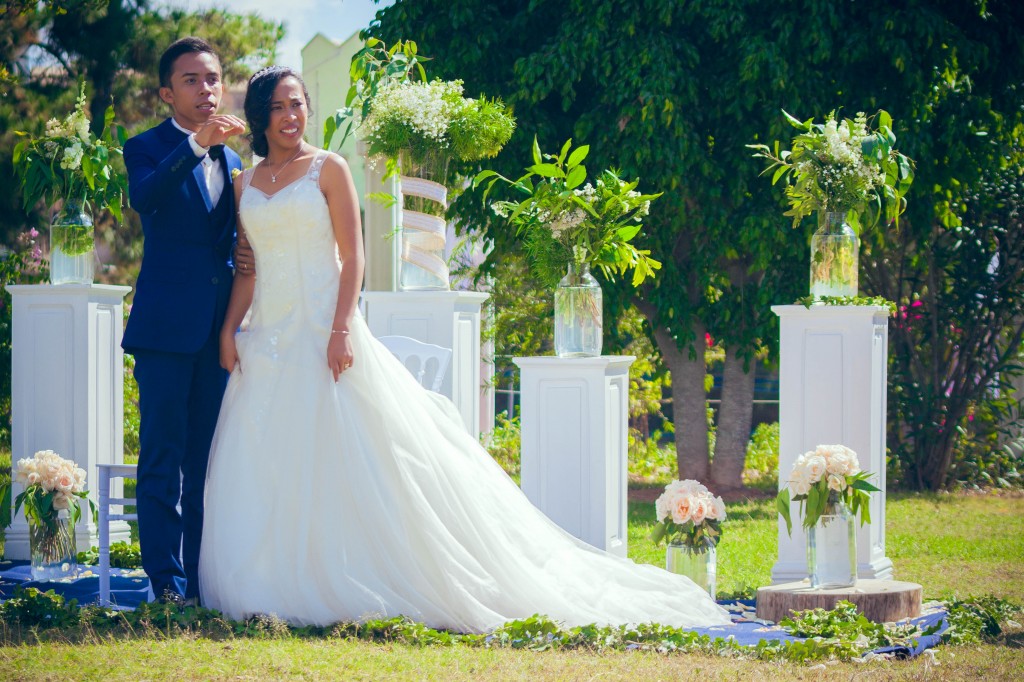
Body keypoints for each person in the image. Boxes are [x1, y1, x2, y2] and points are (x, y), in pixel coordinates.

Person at [198, 66, 732, 633]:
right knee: (269, 465)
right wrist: (230, 330)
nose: (291, 116)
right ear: (260, 117)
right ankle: (274, 582)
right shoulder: (245, 183)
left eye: (298, 104)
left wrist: (338, 331)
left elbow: (353, 259)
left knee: (357, 461)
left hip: (327, 333)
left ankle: (357, 575)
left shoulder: (330, 169)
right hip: (269, 343)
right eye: (278, 107)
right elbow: (249, 267)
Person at [122, 37, 251, 606]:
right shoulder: (145, 147)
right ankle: (166, 586)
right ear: (166, 91)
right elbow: (147, 199)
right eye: (193, 80)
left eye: (214, 78)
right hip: (164, 333)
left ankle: (200, 583)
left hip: (218, 334)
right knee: (161, 461)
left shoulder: (236, 158)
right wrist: (197, 144)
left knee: (206, 463)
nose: (207, 89)